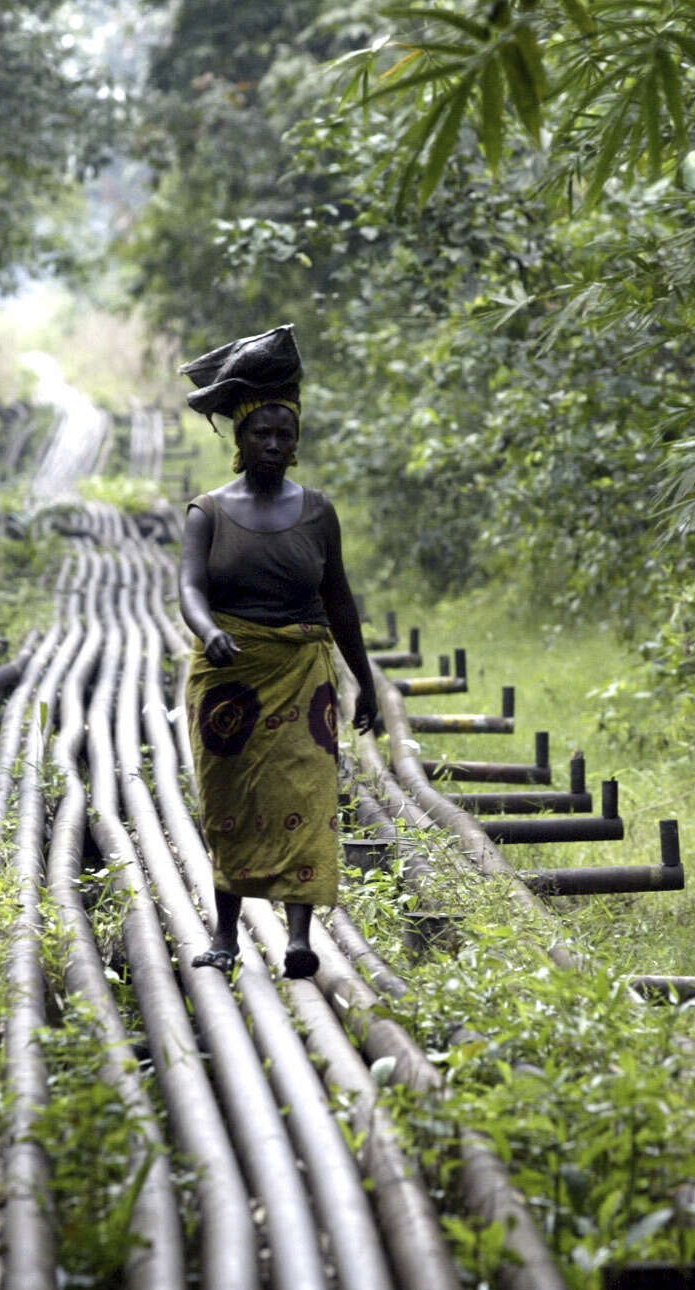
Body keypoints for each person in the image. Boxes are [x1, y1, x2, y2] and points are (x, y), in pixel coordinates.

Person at [175, 325, 381, 979]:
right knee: (229, 800)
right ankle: (227, 934)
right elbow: (188, 589)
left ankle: (298, 939)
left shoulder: (318, 513)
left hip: (303, 673)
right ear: (239, 440)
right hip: (229, 676)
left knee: (306, 793)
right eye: (260, 433)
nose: (272, 443)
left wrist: (366, 680)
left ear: (296, 443)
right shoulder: (207, 512)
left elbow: (340, 601)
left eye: (283, 433)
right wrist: (209, 632)